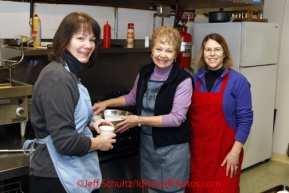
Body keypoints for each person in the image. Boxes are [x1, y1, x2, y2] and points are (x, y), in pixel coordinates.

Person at [22, 12, 116, 193]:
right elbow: (65, 142)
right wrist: (100, 143)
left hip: (70, 172)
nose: (88, 45)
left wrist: (91, 123)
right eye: (80, 38)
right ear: (64, 40)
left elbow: (66, 117)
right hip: (55, 178)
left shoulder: (69, 74)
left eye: (92, 40)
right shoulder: (57, 78)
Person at [93, 25, 193, 193]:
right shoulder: (145, 72)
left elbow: (176, 118)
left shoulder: (183, 80)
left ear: (176, 55)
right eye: (159, 49)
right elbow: (132, 97)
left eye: (169, 51)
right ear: (152, 50)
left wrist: (139, 120)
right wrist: (106, 103)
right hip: (148, 148)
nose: (162, 55)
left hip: (171, 151)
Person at [186, 33, 253, 193]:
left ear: (224, 53)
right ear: (202, 53)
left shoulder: (238, 81)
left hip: (225, 155)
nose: (212, 54)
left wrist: (235, 152)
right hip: (197, 155)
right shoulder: (193, 80)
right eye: (208, 49)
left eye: (217, 49)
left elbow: (245, 120)